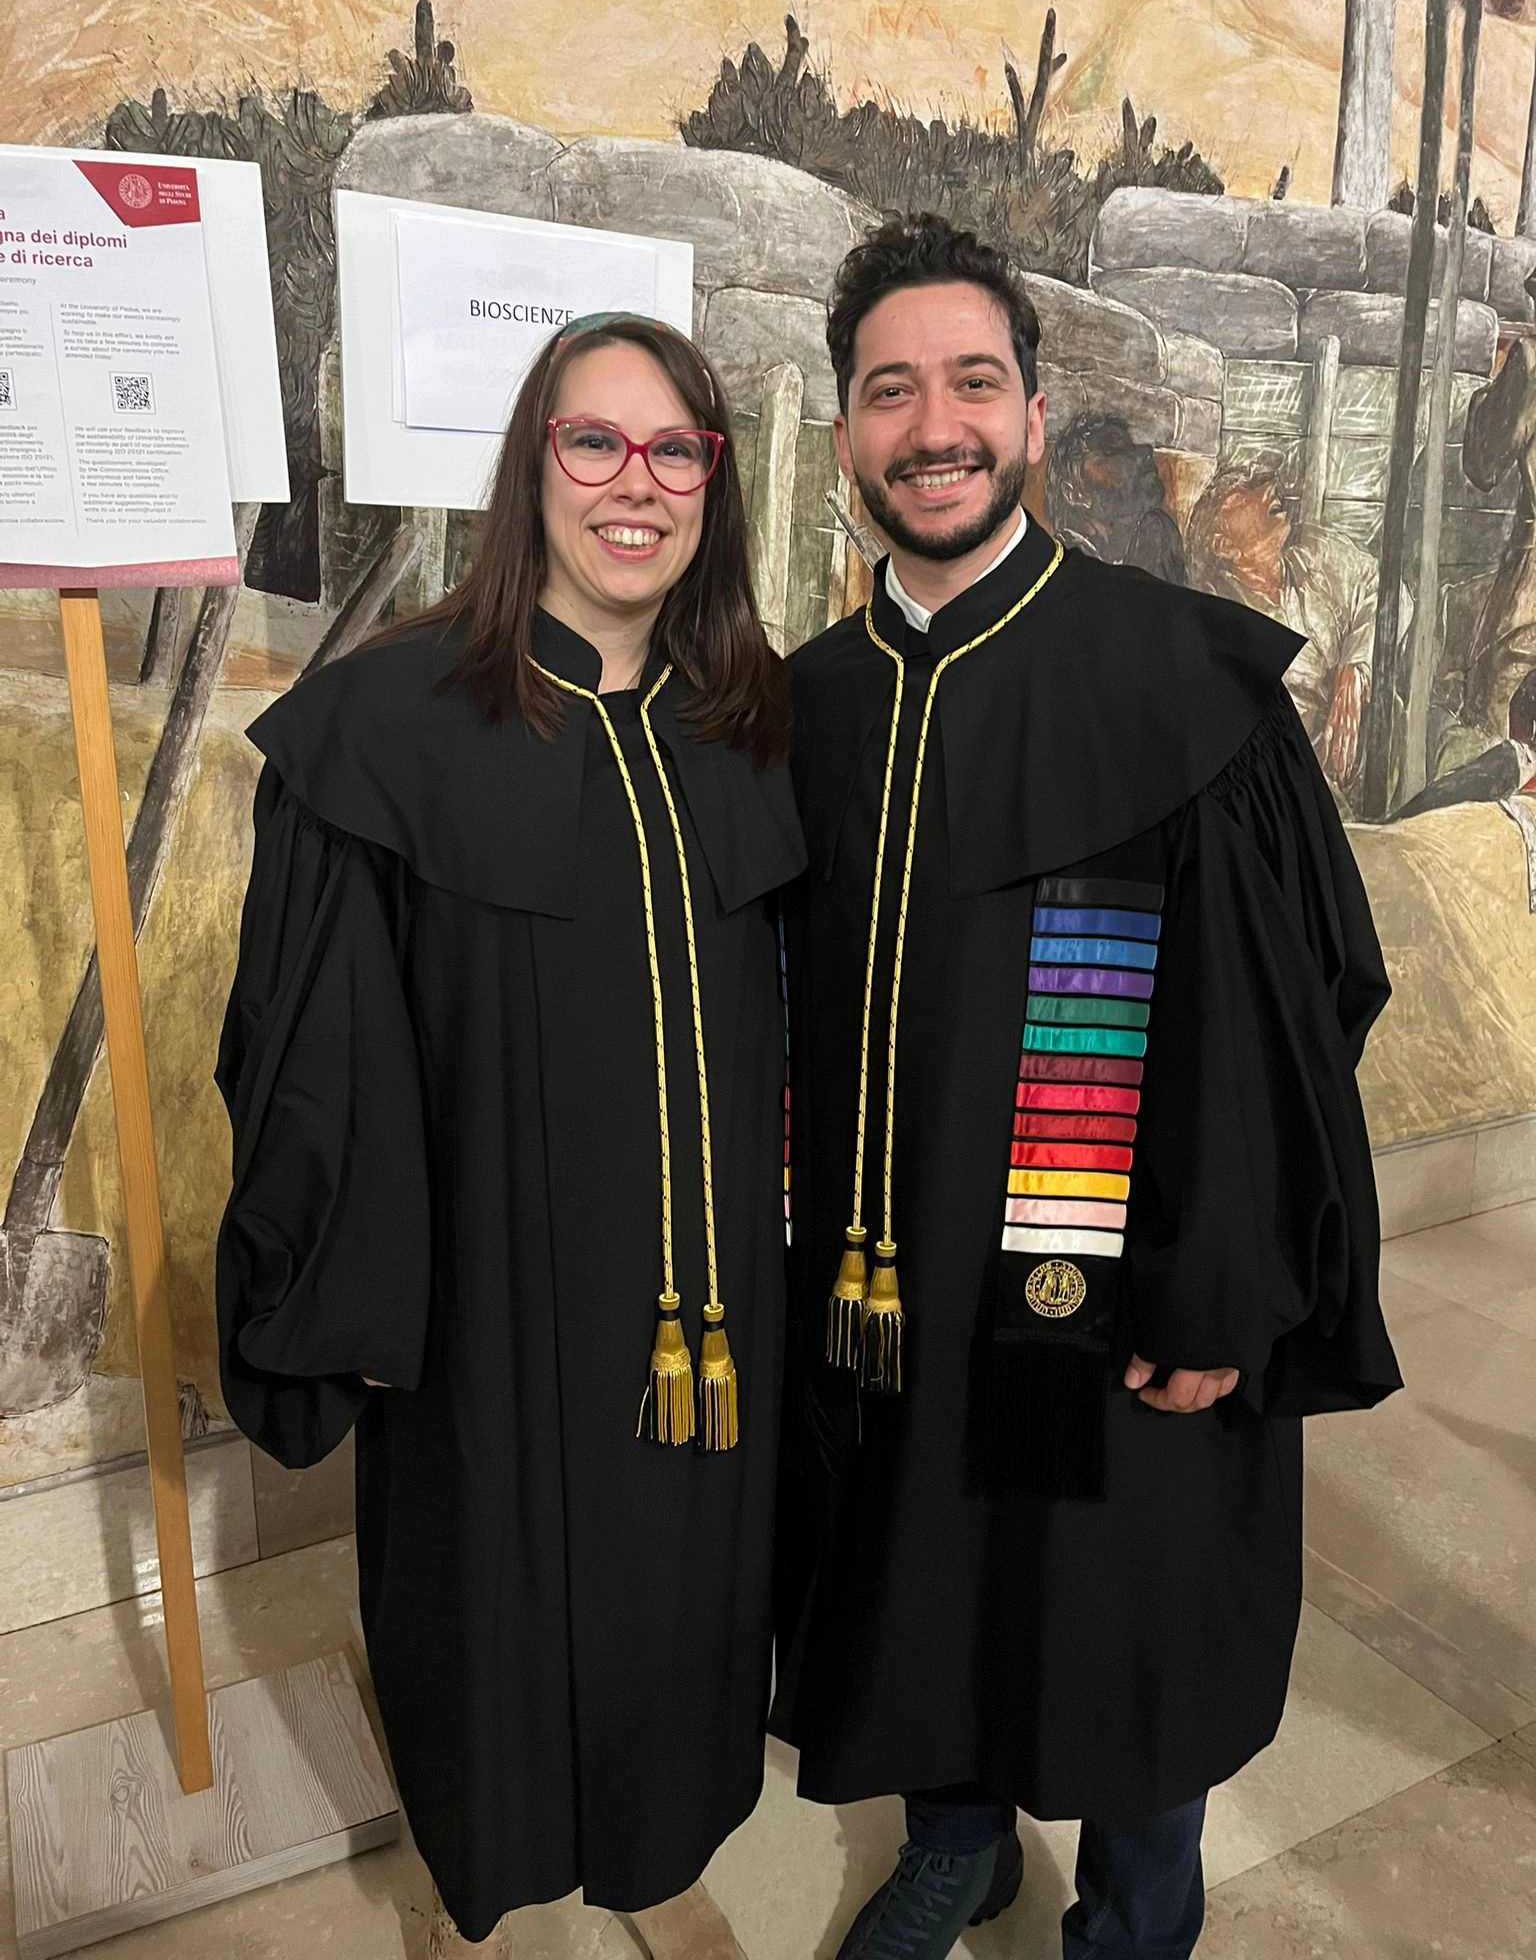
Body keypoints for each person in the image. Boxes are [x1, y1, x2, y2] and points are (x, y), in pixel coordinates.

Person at [772, 215, 1402, 1960]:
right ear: (847, 434)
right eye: (891, 391)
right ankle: (954, 1845)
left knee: (1133, 1623)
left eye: (973, 383)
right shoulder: (803, 709)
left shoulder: (1183, 680)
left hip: (1118, 1281)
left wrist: (1223, 1290)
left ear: (1034, 416)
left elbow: (1284, 1015)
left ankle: (1131, 1919)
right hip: (890, 1282)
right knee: (918, 1581)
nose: (936, 426)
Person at [214, 314, 803, 1956]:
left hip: (716, 1314)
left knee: (686, 1616)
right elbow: (318, 1062)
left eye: (674, 448)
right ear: (529, 465)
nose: (636, 483)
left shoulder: (754, 722)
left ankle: (660, 1839)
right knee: (497, 1629)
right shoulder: (385, 728)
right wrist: (358, 1306)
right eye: (593, 441)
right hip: (493, 1321)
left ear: (714, 482)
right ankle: (503, 1877)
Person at [1183, 456, 1381, 807]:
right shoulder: (1224, 626)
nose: (1266, 490)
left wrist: (1354, 669)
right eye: (1241, 495)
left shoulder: (1313, 556)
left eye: (1260, 480)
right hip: (1308, 791)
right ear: (1224, 546)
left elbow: (1384, 588)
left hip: (1382, 739)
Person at [1043, 413, 1186, 583]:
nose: (1147, 451)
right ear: (1074, 494)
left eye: (1130, 447)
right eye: (1113, 450)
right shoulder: (1058, 568)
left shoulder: (1156, 534)